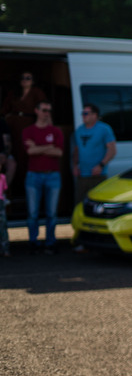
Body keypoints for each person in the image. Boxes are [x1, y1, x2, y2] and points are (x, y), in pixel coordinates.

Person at [23, 101, 64, 254]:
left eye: (49, 110)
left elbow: (59, 153)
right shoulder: (28, 130)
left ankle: (50, 242)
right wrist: (49, 147)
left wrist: (37, 147)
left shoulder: (56, 131)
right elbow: (29, 152)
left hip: (53, 175)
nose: (47, 113)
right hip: (33, 176)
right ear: (36, 111)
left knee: (51, 213)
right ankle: (33, 241)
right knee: (33, 213)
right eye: (44, 110)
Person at [2, 71, 47, 188]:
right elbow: (5, 108)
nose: (25, 80)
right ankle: (11, 187)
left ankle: (24, 185)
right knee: (13, 153)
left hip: (28, 125)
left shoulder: (37, 93)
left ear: (33, 81)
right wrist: (7, 117)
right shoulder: (14, 93)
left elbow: (44, 109)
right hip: (13, 127)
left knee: (25, 155)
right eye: (23, 77)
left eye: (28, 78)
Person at [71, 103, 117, 205]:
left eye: (86, 113)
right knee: (80, 204)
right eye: (82, 113)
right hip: (82, 175)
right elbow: (77, 150)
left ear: (94, 115)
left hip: (97, 175)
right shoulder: (79, 130)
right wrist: (75, 165)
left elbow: (112, 150)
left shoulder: (104, 129)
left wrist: (101, 165)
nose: (83, 115)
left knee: (97, 204)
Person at [0, 160, 9, 257]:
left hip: (1, 203)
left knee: (3, 227)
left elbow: (4, 189)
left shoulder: (2, 177)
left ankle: (5, 249)